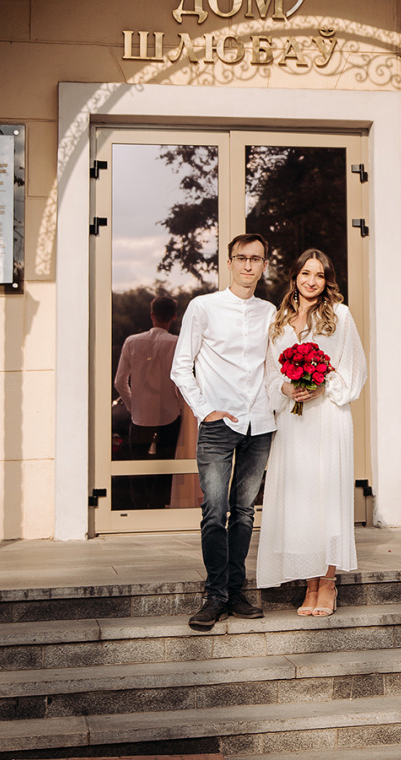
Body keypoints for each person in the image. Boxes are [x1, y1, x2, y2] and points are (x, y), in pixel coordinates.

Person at [170, 233, 277, 630]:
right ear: (230, 263)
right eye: (242, 258)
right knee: (215, 512)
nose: (249, 265)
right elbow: (181, 366)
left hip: (261, 424)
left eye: (257, 259)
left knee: (245, 513)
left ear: (264, 265)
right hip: (220, 424)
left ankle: (235, 590)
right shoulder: (204, 307)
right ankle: (215, 595)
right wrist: (204, 411)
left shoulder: (270, 312)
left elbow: (274, 369)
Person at [255, 248, 366, 617]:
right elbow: (270, 372)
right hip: (293, 421)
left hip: (327, 419)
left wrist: (324, 385)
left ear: (327, 279)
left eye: (318, 275)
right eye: (305, 273)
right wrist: (286, 389)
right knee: (300, 504)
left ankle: (328, 583)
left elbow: (354, 368)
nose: (311, 281)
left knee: (327, 500)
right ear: (294, 277)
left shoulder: (341, 316)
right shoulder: (279, 319)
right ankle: (310, 583)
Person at [113, 295, 184, 510]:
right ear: (174, 316)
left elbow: (119, 382)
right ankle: (157, 507)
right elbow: (180, 382)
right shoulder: (176, 343)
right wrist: (180, 406)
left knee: (138, 467)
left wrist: (134, 405)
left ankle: (139, 509)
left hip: (140, 417)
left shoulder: (132, 342)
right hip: (170, 416)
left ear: (151, 315)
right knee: (165, 466)